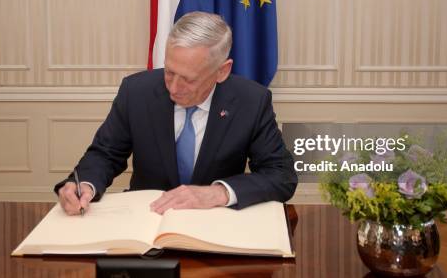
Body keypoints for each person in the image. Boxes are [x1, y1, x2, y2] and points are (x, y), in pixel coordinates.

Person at [55, 11, 297, 215]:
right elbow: (105, 154)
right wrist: (85, 184)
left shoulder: (251, 101)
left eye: (188, 79)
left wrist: (219, 192)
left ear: (222, 71)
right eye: (169, 72)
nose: (173, 87)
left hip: (216, 225)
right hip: (146, 221)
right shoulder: (136, 91)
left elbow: (281, 175)